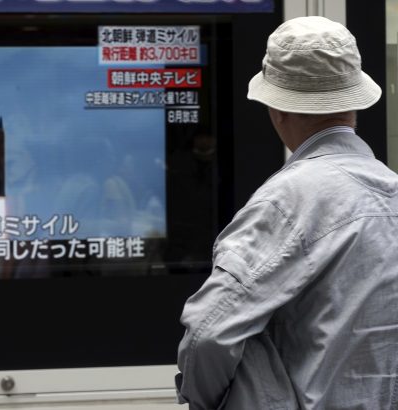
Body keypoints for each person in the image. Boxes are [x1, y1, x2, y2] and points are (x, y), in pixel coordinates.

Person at [176, 16, 398, 409]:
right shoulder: (391, 191)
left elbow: (208, 332)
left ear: (277, 108)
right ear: (354, 103)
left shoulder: (288, 201)